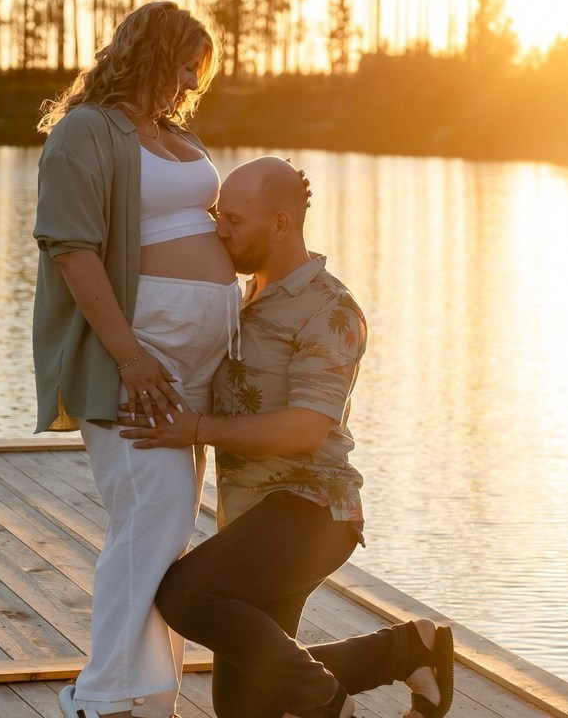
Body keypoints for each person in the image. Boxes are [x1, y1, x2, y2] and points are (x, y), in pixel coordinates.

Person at [120, 156, 454, 718]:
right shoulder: (235, 298)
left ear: (280, 224)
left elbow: (305, 430)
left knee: (184, 594)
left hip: (313, 510)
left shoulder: (331, 309)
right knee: (244, 709)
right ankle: (406, 649)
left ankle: (327, 703)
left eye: (233, 219)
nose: (218, 229)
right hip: (254, 516)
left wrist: (197, 429)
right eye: (215, 215)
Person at [33, 1, 243, 718]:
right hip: (137, 364)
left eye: (199, 69)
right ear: (148, 53)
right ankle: (97, 695)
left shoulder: (172, 136)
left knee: (165, 523)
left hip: (193, 370)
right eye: (184, 64)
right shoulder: (86, 133)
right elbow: (72, 250)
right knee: (153, 514)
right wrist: (131, 358)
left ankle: (150, 697)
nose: (192, 81)